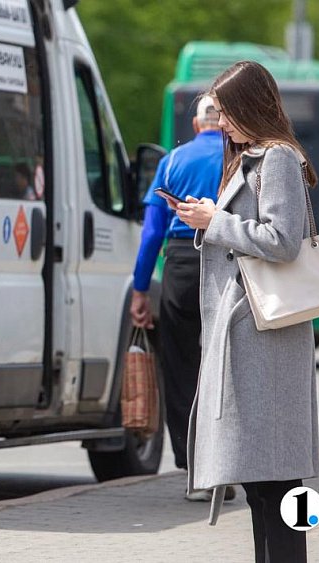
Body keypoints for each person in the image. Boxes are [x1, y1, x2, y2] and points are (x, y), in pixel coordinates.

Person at [174, 60, 319, 563]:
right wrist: (207, 219)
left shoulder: (277, 157)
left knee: (276, 483)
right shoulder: (248, 158)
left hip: (266, 334)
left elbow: (282, 242)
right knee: (261, 484)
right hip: (248, 333)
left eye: (227, 111)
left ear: (252, 106)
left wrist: (216, 221)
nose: (220, 122)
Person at [130, 95, 227, 502]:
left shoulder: (172, 162)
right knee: (224, 368)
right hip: (228, 260)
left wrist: (140, 288)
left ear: (195, 124)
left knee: (181, 365)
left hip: (182, 266)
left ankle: (193, 471)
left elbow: (152, 232)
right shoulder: (239, 158)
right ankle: (226, 466)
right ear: (224, 122)